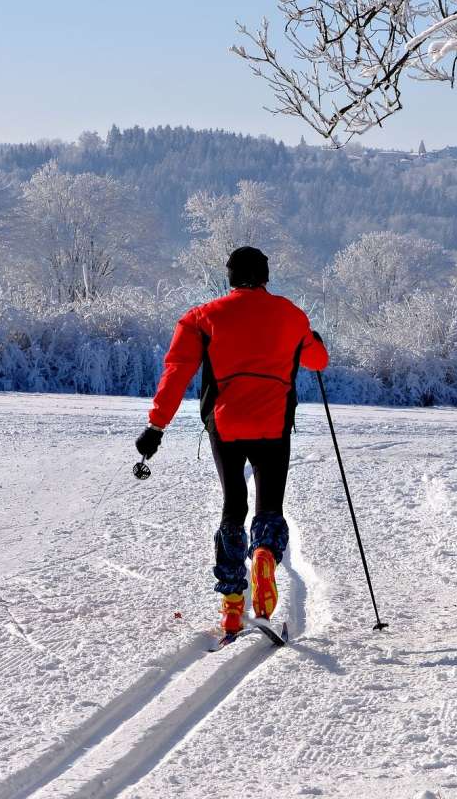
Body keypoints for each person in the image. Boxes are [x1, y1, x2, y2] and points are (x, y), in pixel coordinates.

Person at [135, 246, 328, 635]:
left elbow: (176, 372)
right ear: (266, 276)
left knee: (233, 505)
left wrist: (156, 427)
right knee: (269, 506)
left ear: (230, 276)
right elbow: (317, 361)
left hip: (225, 425)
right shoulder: (291, 315)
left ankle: (231, 603)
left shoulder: (202, 318)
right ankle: (264, 555)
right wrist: (315, 340)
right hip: (273, 424)